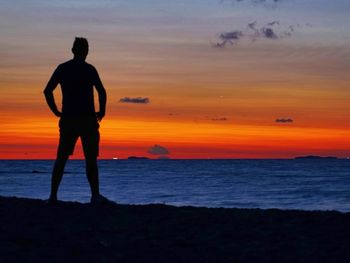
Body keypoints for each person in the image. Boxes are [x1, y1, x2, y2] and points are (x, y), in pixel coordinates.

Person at [44, 37, 108, 204]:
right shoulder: (89, 69)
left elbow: (47, 91)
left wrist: (56, 111)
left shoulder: (63, 68)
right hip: (86, 119)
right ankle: (94, 196)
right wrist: (102, 111)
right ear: (86, 51)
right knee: (90, 159)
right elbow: (101, 91)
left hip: (69, 119)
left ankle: (53, 196)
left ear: (73, 50)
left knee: (62, 158)